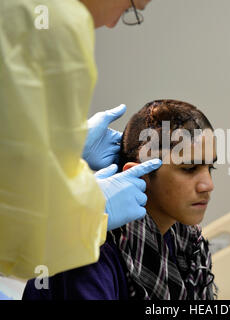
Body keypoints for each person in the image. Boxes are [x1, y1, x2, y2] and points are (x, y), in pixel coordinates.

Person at [0, 0, 159, 280]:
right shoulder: (55, 21)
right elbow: (22, 228)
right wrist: (94, 209)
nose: (110, 25)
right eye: (129, 9)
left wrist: (62, 148)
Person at [22, 99, 218, 300]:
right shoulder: (90, 253)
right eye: (189, 169)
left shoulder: (185, 242)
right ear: (140, 174)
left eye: (210, 168)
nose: (208, 185)